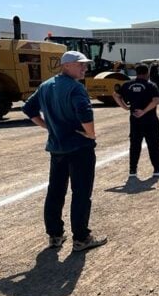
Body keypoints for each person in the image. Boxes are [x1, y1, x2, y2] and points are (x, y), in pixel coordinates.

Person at [22, 51, 108, 252]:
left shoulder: (45, 86)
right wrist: (91, 134)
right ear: (67, 66)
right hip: (79, 148)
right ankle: (81, 238)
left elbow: (28, 109)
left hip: (57, 148)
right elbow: (85, 113)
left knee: (55, 190)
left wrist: (47, 127)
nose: (84, 69)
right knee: (81, 192)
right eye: (81, 65)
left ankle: (55, 235)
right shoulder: (76, 88)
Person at [113, 64, 159, 179]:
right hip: (150, 119)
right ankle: (157, 168)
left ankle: (132, 170)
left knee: (134, 145)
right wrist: (144, 111)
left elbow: (116, 95)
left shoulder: (127, 85)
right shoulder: (150, 85)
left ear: (137, 73)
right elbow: (155, 100)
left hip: (134, 119)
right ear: (147, 73)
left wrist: (125, 107)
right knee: (153, 144)